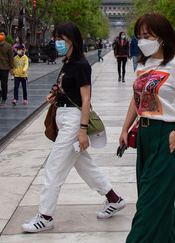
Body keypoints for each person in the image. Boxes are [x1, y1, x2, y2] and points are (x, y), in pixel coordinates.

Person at [22, 21, 126, 233]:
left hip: (72, 120)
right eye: (57, 38)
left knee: (54, 167)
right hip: (63, 114)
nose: (57, 42)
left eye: (61, 38)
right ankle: (113, 199)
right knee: (83, 164)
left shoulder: (80, 64)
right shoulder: (67, 62)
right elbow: (69, 90)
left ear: (72, 40)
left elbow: (86, 100)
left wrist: (82, 130)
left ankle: (45, 215)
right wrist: (56, 95)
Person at [119, 12, 175, 242]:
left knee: (150, 204)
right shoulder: (142, 66)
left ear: (162, 37)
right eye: (139, 36)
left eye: (147, 35)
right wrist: (125, 129)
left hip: (168, 136)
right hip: (144, 135)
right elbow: (137, 100)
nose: (142, 40)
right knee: (155, 198)